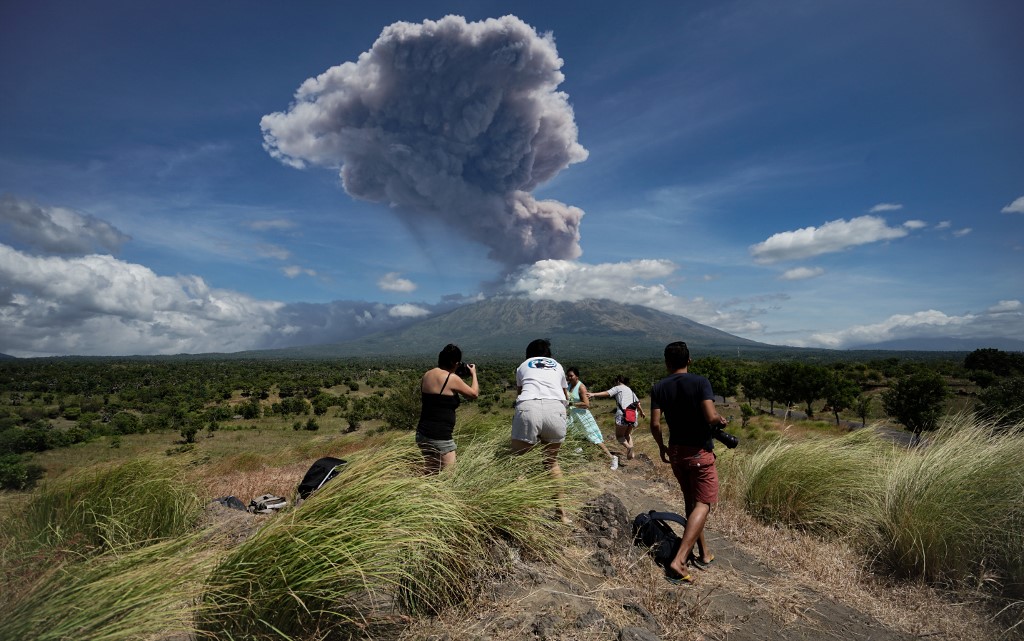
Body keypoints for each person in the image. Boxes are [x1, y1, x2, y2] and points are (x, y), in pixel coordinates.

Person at [649, 341, 727, 584]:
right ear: (689, 361)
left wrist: (662, 447)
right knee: (703, 503)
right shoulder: (700, 382)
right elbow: (710, 416)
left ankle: (703, 554)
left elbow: (654, 424)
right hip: (699, 453)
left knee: (691, 502)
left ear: (666, 362)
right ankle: (679, 561)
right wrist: (720, 419)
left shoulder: (659, 387)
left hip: (676, 452)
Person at [511, 338, 571, 523]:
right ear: (549, 355)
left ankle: (524, 515)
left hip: (529, 408)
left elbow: (520, 393)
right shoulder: (558, 366)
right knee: (552, 463)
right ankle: (561, 514)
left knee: (518, 463)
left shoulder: (522, 366)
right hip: (556, 410)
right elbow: (565, 395)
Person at [416, 343, 478, 474]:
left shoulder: (427, 374)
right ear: (454, 362)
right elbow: (474, 394)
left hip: (422, 433)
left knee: (431, 473)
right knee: (449, 476)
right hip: (440, 436)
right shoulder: (451, 378)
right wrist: (473, 374)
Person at [565, 366, 619, 470]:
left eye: (571, 376)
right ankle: (579, 455)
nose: (569, 378)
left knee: (594, 437)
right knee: (574, 436)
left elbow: (586, 404)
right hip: (573, 415)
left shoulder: (581, 387)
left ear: (577, 376)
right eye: (568, 376)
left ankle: (612, 458)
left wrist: (571, 403)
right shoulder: (568, 385)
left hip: (582, 415)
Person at [590, 376, 646, 460]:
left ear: (618, 381)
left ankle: (629, 447)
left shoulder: (618, 388)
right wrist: (642, 412)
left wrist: (593, 394)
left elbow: (607, 393)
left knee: (620, 436)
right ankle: (631, 454)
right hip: (633, 414)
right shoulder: (630, 390)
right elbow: (637, 403)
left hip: (623, 414)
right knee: (627, 434)